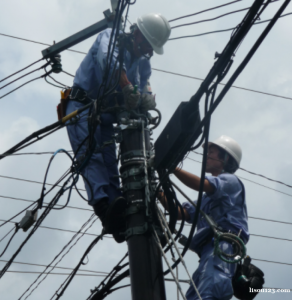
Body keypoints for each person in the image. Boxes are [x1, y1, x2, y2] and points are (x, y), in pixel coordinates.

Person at [66, 13, 171, 224]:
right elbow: (109, 63)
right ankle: (103, 206)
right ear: (137, 34)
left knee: (109, 158)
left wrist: (147, 99)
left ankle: (117, 211)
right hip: (82, 106)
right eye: (148, 44)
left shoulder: (142, 61)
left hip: (105, 115)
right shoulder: (110, 37)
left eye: (153, 48)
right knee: (91, 155)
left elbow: (144, 84)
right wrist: (127, 88)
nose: (149, 51)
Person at [158, 135, 249, 300]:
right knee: (195, 295)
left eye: (211, 152)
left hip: (223, 246)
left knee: (209, 293)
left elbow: (202, 184)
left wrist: (172, 167)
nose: (206, 156)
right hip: (208, 251)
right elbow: (179, 213)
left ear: (226, 157)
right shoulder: (206, 199)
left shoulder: (230, 181)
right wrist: (155, 190)